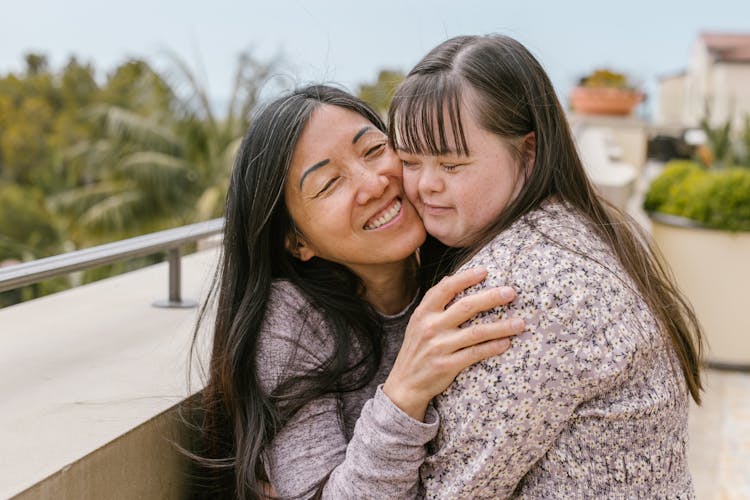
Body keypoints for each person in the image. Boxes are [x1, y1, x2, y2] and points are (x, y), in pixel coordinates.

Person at [388, 34, 704, 498]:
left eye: (452, 165)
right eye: (409, 161)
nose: (425, 185)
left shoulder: (520, 291)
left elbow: (447, 492)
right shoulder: (577, 227)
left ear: (528, 153)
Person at [189, 84, 525, 499]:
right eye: (330, 183)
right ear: (297, 242)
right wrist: (404, 392)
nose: (374, 183)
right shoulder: (291, 323)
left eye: (373, 150)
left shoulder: (475, 262)